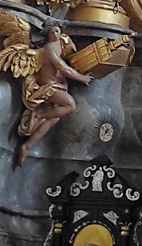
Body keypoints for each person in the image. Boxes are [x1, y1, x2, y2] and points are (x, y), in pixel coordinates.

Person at [17, 24, 93, 166]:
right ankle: (38, 114)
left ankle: (27, 146)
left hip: (59, 86)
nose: (55, 35)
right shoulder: (49, 49)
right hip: (48, 88)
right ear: (47, 34)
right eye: (52, 32)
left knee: (54, 117)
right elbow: (65, 70)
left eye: (57, 31)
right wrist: (82, 78)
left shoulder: (61, 43)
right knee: (70, 105)